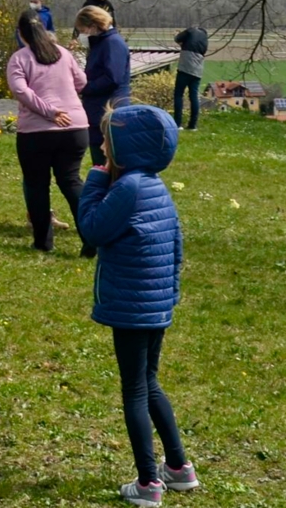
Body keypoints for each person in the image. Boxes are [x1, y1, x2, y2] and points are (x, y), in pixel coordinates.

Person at [78, 105, 198, 506]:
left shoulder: (126, 189)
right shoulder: (154, 185)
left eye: (106, 139)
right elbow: (177, 244)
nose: (100, 146)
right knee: (149, 382)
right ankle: (179, 468)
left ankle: (148, 484)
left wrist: (95, 181)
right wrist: (169, 297)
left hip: (131, 307)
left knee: (134, 389)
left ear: (124, 146)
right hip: (156, 304)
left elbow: (92, 230)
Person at [6, 10, 93, 256]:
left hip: (37, 131)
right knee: (71, 181)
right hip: (75, 127)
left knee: (37, 184)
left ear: (21, 33)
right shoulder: (64, 53)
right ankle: (91, 236)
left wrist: (50, 111)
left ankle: (43, 242)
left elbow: (21, 91)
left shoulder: (20, 58)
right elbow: (82, 82)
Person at [77, 5, 131, 166]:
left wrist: (85, 87)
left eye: (83, 30)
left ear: (94, 25)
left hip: (109, 108)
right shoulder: (102, 43)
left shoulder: (112, 44)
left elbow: (112, 78)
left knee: (108, 161)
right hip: (98, 109)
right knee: (99, 159)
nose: (83, 34)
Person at [172, 26, 208, 130]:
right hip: (197, 70)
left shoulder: (191, 30)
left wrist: (176, 34)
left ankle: (178, 124)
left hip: (185, 68)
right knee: (194, 97)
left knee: (178, 95)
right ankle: (193, 125)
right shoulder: (205, 39)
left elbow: (177, 39)